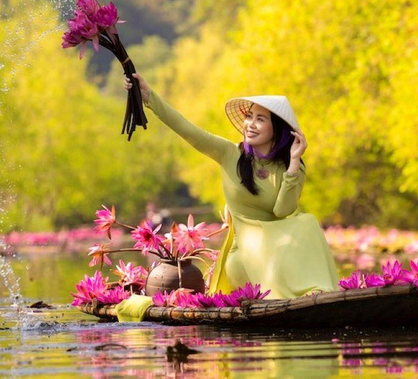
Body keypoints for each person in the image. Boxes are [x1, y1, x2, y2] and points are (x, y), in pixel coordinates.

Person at [122, 73, 338, 300]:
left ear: (277, 128)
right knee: (258, 253)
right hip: (246, 251)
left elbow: (282, 212)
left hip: (280, 249)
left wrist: (293, 164)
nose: (250, 125)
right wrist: (148, 97)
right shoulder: (229, 154)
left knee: (307, 222)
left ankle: (315, 293)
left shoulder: (293, 166)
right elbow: (187, 129)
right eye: (249, 117)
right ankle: (287, 295)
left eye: (260, 119)